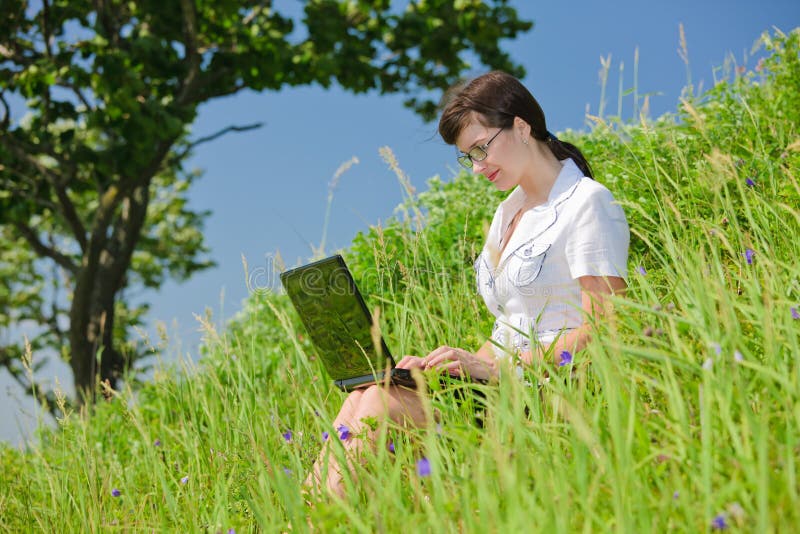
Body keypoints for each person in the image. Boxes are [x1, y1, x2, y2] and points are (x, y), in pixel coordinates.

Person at [304, 70, 630, 498]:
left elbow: (606, 327)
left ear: (521, 125)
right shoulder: (507, 212)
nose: (477, 168)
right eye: (468, 157)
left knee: (378, 407)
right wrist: (449, 365)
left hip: (547, 387)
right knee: (366, 394)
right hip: (495, 381)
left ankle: (321, 521)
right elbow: (508, 328)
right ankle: (310, 518)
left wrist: (497, 369)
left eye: (481, 149)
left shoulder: (586, 202)